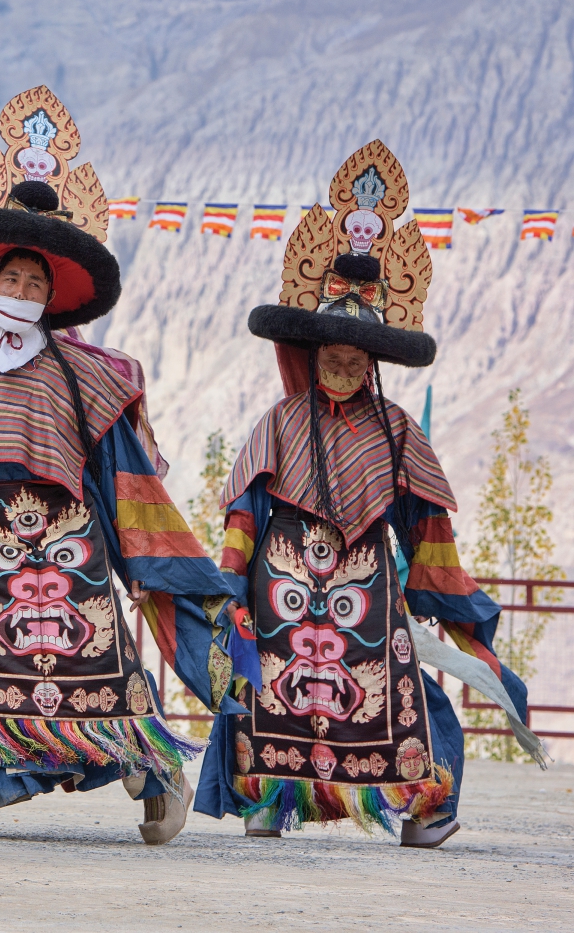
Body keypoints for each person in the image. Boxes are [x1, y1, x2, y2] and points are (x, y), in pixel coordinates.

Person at [0, 86, 246, 844]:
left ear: (53, 297)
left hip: (73, 549)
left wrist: (147, 560)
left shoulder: (92, 378)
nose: (20, 292)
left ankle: (158, 779)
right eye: (9, 281)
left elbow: (125, 477)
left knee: (96, 674)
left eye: (34, 284)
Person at [196, 139, 543, 848]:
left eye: (358, 356)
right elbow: (243, 513)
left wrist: (446, 600)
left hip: (370, 591)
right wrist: (230, 586)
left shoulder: (397, 432)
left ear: (375, 358)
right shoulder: (280, 422)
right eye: (334, 354)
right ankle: (272, 799)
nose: (346, 363)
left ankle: (421, 808)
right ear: (312, 353)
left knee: (400, 692)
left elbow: (429, 530)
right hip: (281, 585)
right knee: (274, 688)